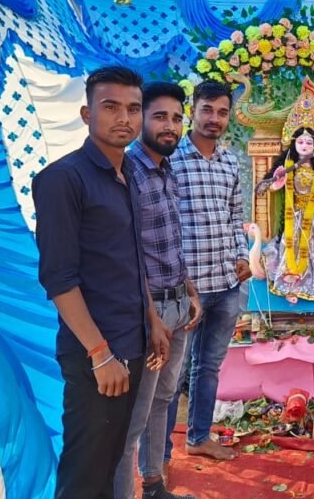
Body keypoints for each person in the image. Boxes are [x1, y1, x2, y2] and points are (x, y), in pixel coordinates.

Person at [33, 65, 169, 498]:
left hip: (132, 342)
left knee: (110, 463)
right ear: (87, 114)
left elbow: (132, 257)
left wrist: (153, 320)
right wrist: (98, 353)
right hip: (96, 354)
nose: (124, 118)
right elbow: (58, 279)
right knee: (84, 473)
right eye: (111, 107)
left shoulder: (129, 175)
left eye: (133, 108)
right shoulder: (62, 180)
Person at [114, 82, 202, 499]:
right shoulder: (128, 173)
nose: (170, 126)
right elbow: (128, 253)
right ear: (140, 120)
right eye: (160, 117)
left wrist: (190, 292)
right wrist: (152, 318)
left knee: (164, 398)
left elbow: (170, 243)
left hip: (178, 304)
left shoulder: (167, 170)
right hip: (150, 314)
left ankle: (153, 484)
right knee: (133, 417)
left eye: (177, 118)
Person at [170, 80, 251, 461]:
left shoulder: (230, 162)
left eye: (222, 112)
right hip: (186, 289)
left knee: (209, 368)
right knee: (172, 376)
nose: (214, 119)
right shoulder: (170, 159)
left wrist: (241, 256)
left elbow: (236, 216)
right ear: (192, 111)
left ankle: (199, 438)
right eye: (207, 110)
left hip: (226, 284)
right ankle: (159, 457)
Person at [256, 125, 314, 302]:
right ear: (294, 144)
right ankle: (292, 284)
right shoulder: (288, 166)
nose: (304, 146)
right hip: (295, 210)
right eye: (300, 142)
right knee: (291, 241)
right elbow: (270, 186)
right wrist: (275, 183)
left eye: (308, 142)